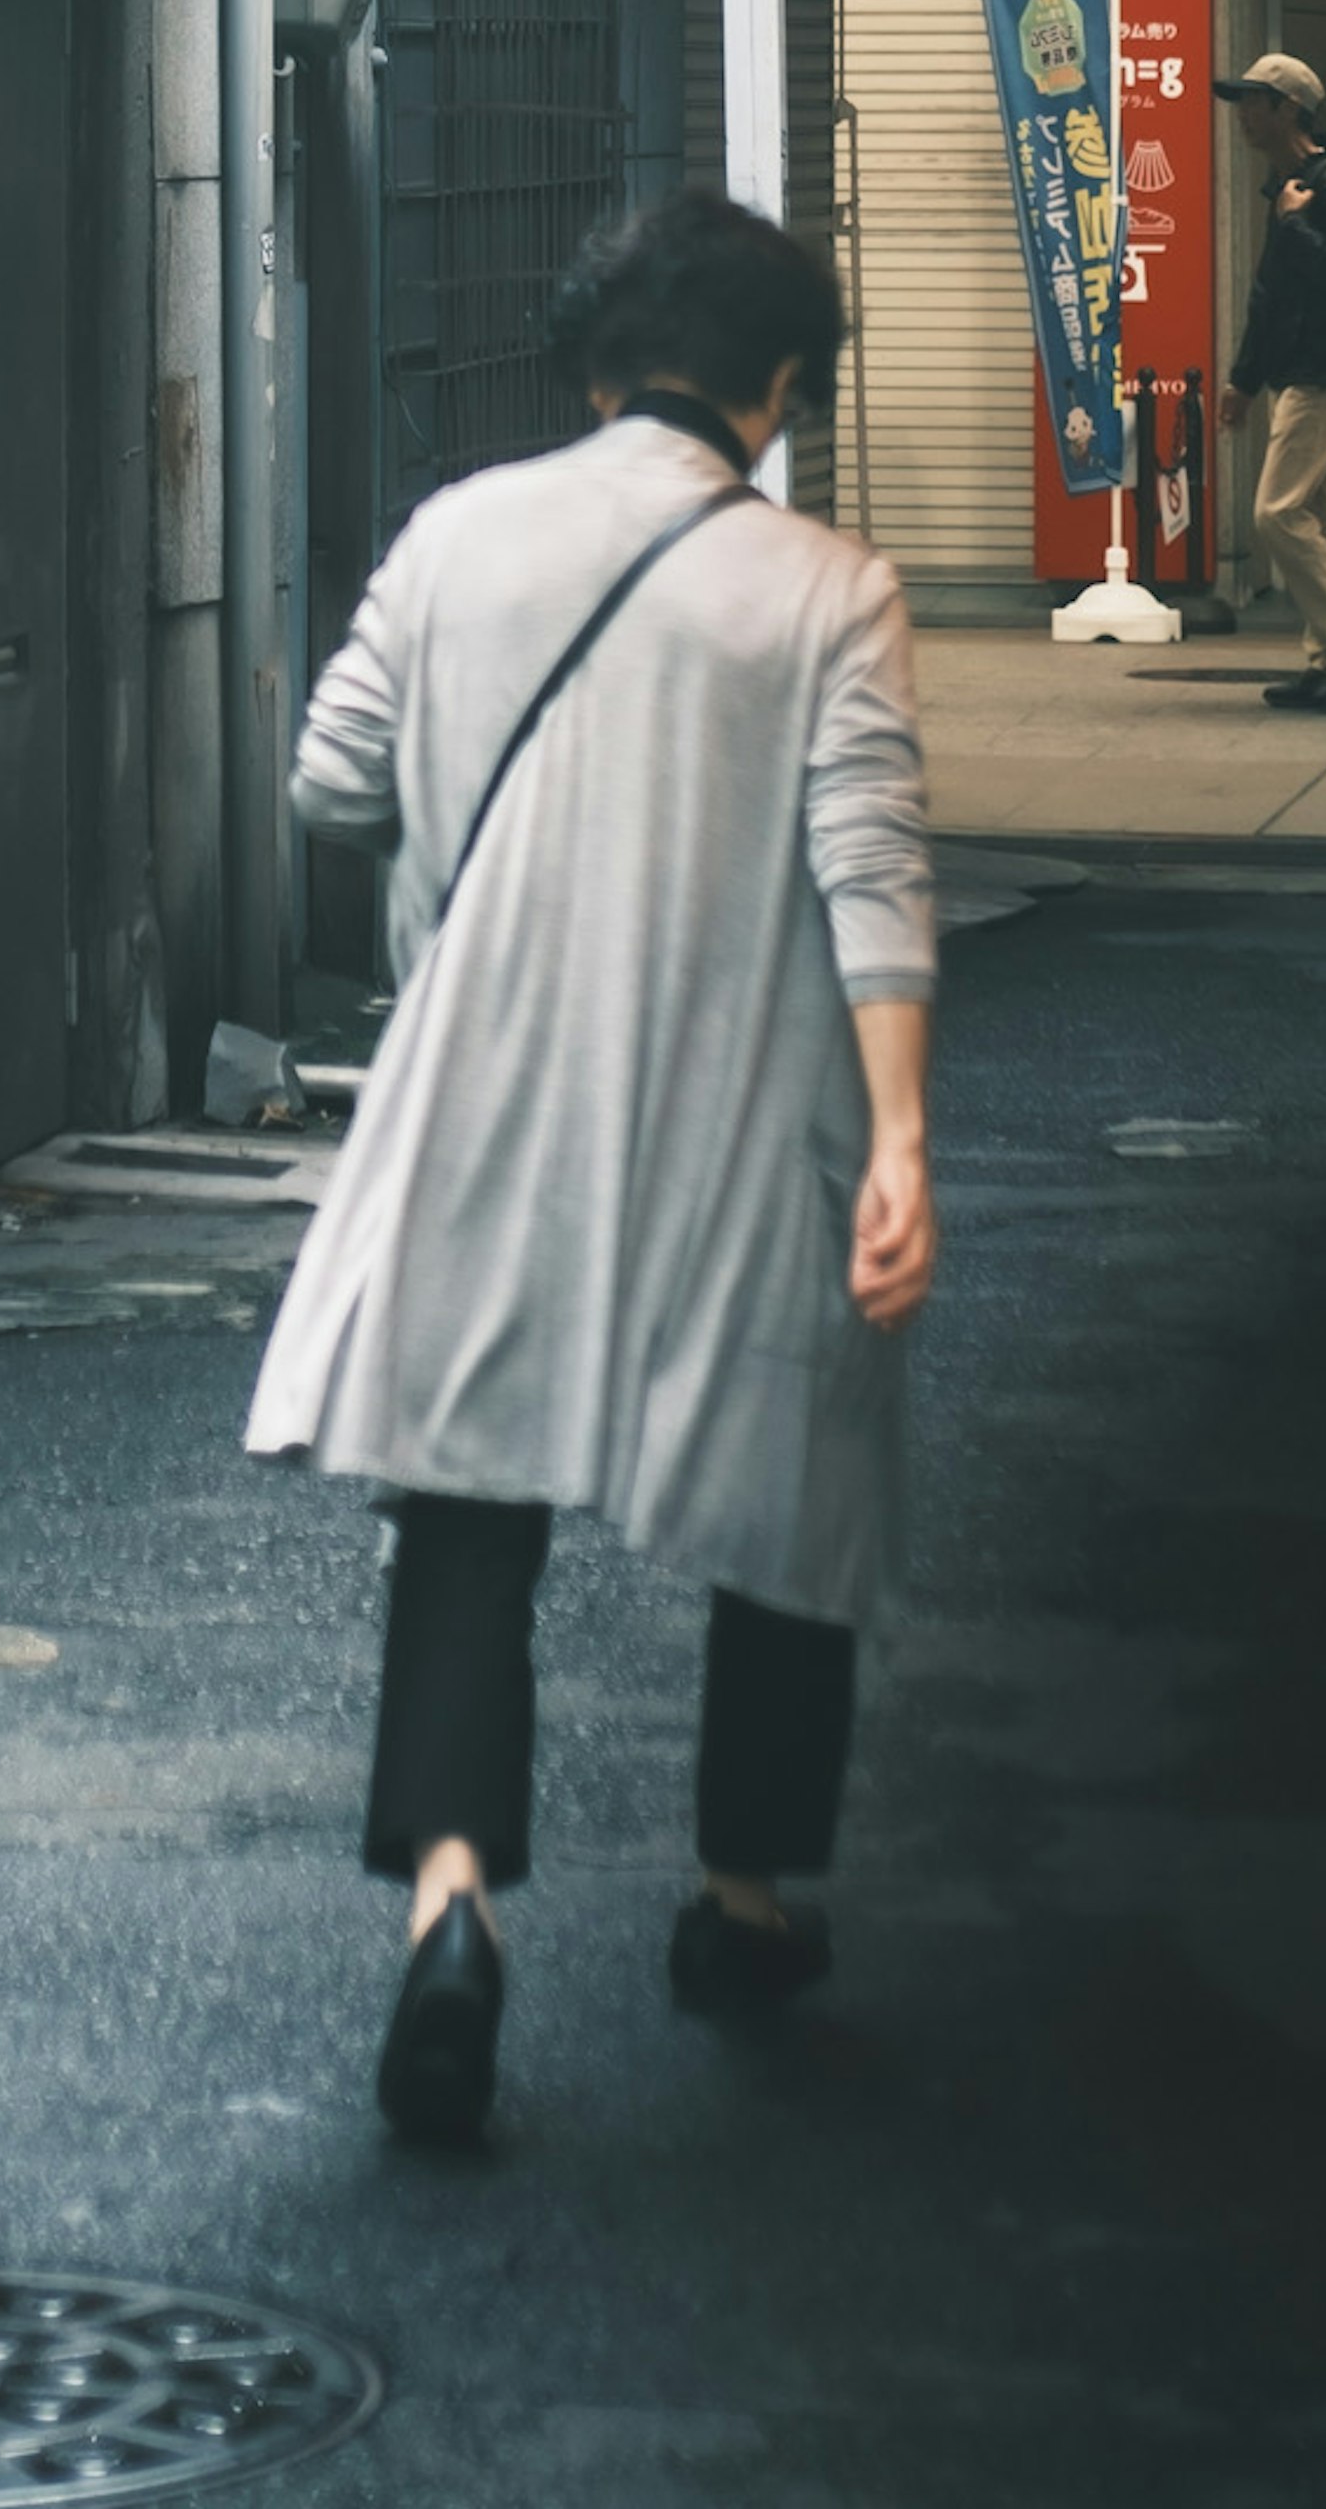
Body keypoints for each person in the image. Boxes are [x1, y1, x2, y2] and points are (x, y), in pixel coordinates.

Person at [246, 190, 936, 2152]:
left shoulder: (459, 531)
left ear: (594, 357)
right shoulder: (826, 587)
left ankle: (452, 1905)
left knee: (466, 1495)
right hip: (737, 1103)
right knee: (791, 1476)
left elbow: (327, 777)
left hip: (488, 1091)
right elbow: (872, 869)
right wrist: (898, 1136)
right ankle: (740, 1896)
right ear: (778, 387)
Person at [1215, 51, 1326, 713]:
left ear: (1290, 109)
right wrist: (1244, 380)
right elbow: (1271, 297)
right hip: (1301, 370)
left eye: (1253, 101)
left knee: (1277, 512)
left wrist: (1294, 227)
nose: (1242, 113)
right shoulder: (1288, 183)